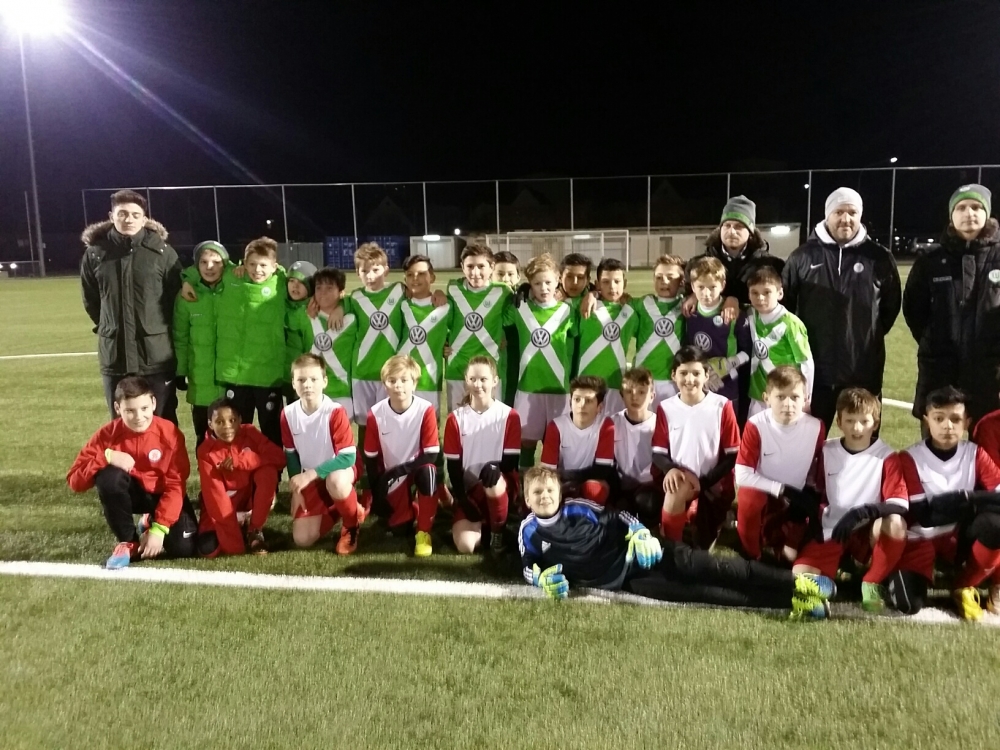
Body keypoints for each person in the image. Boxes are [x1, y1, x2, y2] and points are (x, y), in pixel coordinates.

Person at [517, 467, 835, 619]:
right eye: (537, 493)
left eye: (550, 490)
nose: (545, 496)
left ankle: (798, 582)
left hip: (644, 554)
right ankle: (793, 602)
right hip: (631, 582)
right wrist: (540, 578)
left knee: (717, 567)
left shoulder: (578, 508)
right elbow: (528, 566)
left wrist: (640, 533)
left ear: (559, 492)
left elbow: (619, 517)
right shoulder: (528, 532)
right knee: (708, 594)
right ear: (527, 500)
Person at [860, 387, 1000, 620]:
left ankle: (964, 584)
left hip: (956, 539)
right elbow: (924, 515)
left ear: (967, 422)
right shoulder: (909, 458)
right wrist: (969, 504)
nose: (948, 426)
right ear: (927, 421)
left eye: (955, 419)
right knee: (908, 604)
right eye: (939, 418)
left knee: (996, 524)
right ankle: (890, 571)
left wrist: (967, 498)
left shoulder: (975, 454)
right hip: (919, 541)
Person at [782, 187, 901, 435]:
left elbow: (890, 308)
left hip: (863, 370)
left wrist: (864, 336)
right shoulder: (802, 256)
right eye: (839, 212)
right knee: (808, 442)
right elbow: (786, 308)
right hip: (816, 371)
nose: (846, 219)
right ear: (828, 215)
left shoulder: (879, 257)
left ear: (860, 216)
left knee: (865, 441)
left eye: (852, 212)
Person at [790, 388, 907, 612]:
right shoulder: (826, 450)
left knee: (895, 523)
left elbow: (899, 504)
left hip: (867, 531)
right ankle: (830, 587)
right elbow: (814, 491)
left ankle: (871, 581)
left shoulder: (887, 456)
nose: (857, 428)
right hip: (833, 529)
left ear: (875, 423)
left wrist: (861, 513)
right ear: (839, 422)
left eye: (864, 421)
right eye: (850, 421)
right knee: (798, 576)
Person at [67, 376, 197, 569]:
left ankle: (150, 521)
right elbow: (75, 482)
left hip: (162, 495)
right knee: (108, 477)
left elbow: (176, 485)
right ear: (117, 408)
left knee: (184, 548)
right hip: (132, 494)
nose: (139, 417)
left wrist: (159, 529)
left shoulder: (170, 433)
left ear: (153, 403)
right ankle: (128, 542)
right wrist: (107, 457)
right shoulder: (107, 434)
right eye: (130, 411)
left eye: (144, 408)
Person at [80, 189, 182, 423]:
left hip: (156, 356)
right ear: (111, 216)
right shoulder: (95, 254)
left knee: (163, 422)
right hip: (115, 356)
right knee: (121, 423)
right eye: (122, 214)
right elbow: (91, 300)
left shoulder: (162, 252)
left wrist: (156, 327)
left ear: (144, 219)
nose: (129, 219)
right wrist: (110, 326)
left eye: (135, 215)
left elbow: (175, 300)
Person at [904, 184, 1000, 427]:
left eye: (976, 207)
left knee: (988, 446)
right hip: (939, 372)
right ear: (951, 215)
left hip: (990, 374)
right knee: (936, 445)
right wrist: (935, 341)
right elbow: (914, 311)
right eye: (961, 207)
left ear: (987, 212)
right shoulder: (930, 261)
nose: (969, 213)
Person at [201, 236, 288, 446]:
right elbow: (201, 271)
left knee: (271, 431)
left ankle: (273, 468)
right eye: (252, 264)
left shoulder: (282, 284)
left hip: (268, 375)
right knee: (236, 430)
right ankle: (238, 468)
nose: (257, 270)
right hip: (237, 375)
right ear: (244, 263)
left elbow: (304, 285)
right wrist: (187, 280)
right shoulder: (232, 278)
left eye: (263, 265)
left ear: (274, 266)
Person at [652, 347, 740, 549]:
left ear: (706, 375)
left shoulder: (722, 405)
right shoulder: (666, 407)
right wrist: (670, 469)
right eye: (683, 373)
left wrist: (703, 482)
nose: (689, 379)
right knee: (676, 488)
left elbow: (733, 455)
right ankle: (671, 547)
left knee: (702, 546)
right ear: (673, 375)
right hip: (681, 480)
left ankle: (710, 518)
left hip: (712, 485)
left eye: (696, 373)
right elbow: (658, 452)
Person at [735, 366, 825, 562]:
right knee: (749, 499)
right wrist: (782, 489)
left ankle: (785, 539)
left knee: (790, 557)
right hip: (764, 492)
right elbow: (741, 475)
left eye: (794, 397)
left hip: (794, 497)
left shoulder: (816, 427)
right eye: (780, 397)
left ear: (805, 398)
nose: (788, 404)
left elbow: (815, 466)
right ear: (767, 398)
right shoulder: (756, 425)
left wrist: (809, 494)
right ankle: (751, 554)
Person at [281, 354, 364, 554]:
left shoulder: (335, 411)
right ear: (293, 383)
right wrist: (296, 491)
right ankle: (346, 507)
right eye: (301, 380)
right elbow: (291, 455)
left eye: (313, 379)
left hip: (341, 469)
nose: (307, 385)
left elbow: (348, 457)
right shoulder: (287, 414)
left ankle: (351, 525)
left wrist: (309, 475)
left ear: (324, 381)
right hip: (313, 476)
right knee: (302, 539)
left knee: (336, 481)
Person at [504, 253, 578, 470]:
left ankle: (554, 485)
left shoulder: (568, 311)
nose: (543, 288)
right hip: (528, 387)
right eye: (537, 283)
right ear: (530, 284)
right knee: (525, 441)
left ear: (558, 280)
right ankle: (524, 483)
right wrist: (516, 292)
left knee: (556, 441)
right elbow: (498, 318)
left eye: (548, 282)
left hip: (558, 388)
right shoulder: (520, 308)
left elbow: (577, 334)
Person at [363, 355, 442, 557]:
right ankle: (416, 506)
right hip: (392, 476)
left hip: (415, 468)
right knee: (399, 529)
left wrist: (399, 471)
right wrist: (377, 493)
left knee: (428, 473)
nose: (398, 385)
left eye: (404, 380)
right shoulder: (375, 414)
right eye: (392, 380)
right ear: (385, 385)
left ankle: (423, 532)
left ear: (414, 384)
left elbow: (431, 454)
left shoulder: (425, 409)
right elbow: (370, 459)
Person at [443, 356, 521, 556]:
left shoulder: (509, 415)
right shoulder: (455, 419)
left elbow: (510, 463)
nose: (478, 385)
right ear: (466, 381)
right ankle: (489, 522)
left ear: (495, 381)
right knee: (466, 546)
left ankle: (497, 533)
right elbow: (453, 466)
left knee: (492, 477)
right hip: (470, 492)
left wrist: (493, 467)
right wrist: (463, 500)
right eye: (473, 379)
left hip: (499, 486)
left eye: (483, 379)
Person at [196, 397, 286, 556]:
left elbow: (279, 458)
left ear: (240, 420)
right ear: (210, 424)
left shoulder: (250, 432)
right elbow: (216, 500)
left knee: (268, 471)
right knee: (208, 549)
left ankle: (255, 529)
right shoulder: (205, 451)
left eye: (232, 420)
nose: (227, 426)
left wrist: (242, 460)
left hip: (248, 501)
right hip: (222, 506)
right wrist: (236, 546)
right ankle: (240, 528)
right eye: (219, 422)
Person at [172, 240, 227, 447]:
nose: (209, 267)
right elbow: (180, 337)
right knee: (204, 440)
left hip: (230, 382)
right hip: (200, 382)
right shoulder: (186, 297)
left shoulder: (234, 290)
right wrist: (180, 370)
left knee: (233, 440)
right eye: (203, 262)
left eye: (216, 262)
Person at [444, 243, 511, 411]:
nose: (475, 272)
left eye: (481, 266)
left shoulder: (503, 292)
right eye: (470, 266)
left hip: (490, 371)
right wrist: (443, 343)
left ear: (492, 267)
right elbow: (445, 321)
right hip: (457, 368)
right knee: (458, 421)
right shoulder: (453, 288)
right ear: (462, 267)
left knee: (490, 422)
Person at [686, 195, 784, 309]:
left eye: (739, 226)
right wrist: (693, 295)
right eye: (727, 225)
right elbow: (683, 297)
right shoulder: (696, 265)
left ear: (750, 231)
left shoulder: (772, 266)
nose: (732, 231)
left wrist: (736, 302)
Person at [287, 267, 358, 419]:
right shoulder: (304, 315)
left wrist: (342, 306)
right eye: (319, 288)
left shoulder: (352, 317)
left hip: (342, 391)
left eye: (329, 288)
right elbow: (287, 309)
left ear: (341, 292)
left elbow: (358, 300)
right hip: (312, 391)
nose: (323, 292)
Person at [683, 256, 751, 411]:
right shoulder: (689, 313)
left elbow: (747, 352)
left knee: (726, 425)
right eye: (701, 287)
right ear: (693, 287)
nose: (706, 293)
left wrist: (727, 365)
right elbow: (686, 348)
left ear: (723, 285)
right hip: (698, 386)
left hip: (727, 387)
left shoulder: (734, 314)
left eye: (712, 287)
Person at [745, 266, 813, 417]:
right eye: (755, 293)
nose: (760, 298)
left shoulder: (791, 323)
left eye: (767, 292)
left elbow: (806, 363)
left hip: (785, 395)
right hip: (758, 394)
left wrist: (805, 396)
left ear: (780, 293)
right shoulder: (751, 314)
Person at [574, 258, 638, 415]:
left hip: (615, 385)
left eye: (617, 281)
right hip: (586, 385)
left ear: (625, 283)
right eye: (606, 282)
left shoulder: (632, 312)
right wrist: (592, 294)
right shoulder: (584, 306)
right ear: (597, 284)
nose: (612, 287)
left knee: (613, 428)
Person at [539, 375, 617, 504]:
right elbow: (547, 471)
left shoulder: (606, 425)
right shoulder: (556, 426)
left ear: (600, 407)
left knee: (593, 489)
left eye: (589, 401)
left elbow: (602, 470)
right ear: (570, 402)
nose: (582, 405)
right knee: (543, 488)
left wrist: (569, 477)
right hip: (561, 481)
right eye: (577, 399)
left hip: (589, 480)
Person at [632, 255, 687, 410]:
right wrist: (593, 294)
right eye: (659, 277)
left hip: (674, 381)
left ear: (682, 281)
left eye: (670, 277)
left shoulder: (687, 305)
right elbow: (614, 300)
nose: (664, 281)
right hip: (643, 380)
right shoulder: (642, 304)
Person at [399, 255, 451, 411]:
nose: (415, 278)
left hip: (429, 379)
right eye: (410, 274)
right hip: (401, 379)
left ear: (432, 277)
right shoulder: (400, 305)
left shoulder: (445, 306)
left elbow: (458, 330)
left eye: (421, 274)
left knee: (429, 424)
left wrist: (448, 344)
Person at [610, 367, 660, 525]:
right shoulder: (612, 423)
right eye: (629, 391)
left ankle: (651, 528)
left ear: (652, 396)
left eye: (641, 392)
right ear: (621, 395)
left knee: (647, 502)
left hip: (649, 487)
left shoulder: (659, 425)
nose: (634, 397)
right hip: (622, 486)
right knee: (617, 515)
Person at [282, 260, 318, 402]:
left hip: (300, 377)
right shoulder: (280, 304)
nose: (295, 286)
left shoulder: (313, 311)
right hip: (277, 375)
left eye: (301, 283)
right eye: (291, 281)